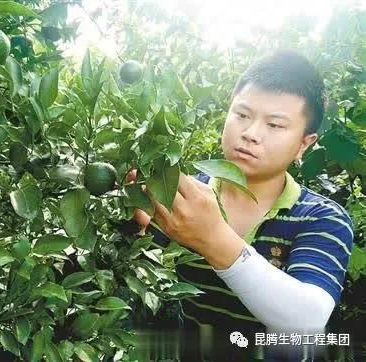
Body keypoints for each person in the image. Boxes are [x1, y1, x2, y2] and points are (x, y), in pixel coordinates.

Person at [127, 49, 354, 361]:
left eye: (275, 125)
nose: (250, 134)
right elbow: (131, 270)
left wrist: (213, 238)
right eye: (242, 115)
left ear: (304, 143)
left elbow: (306, 321)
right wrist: (131, 227)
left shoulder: (321, 218)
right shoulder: (184, 194)